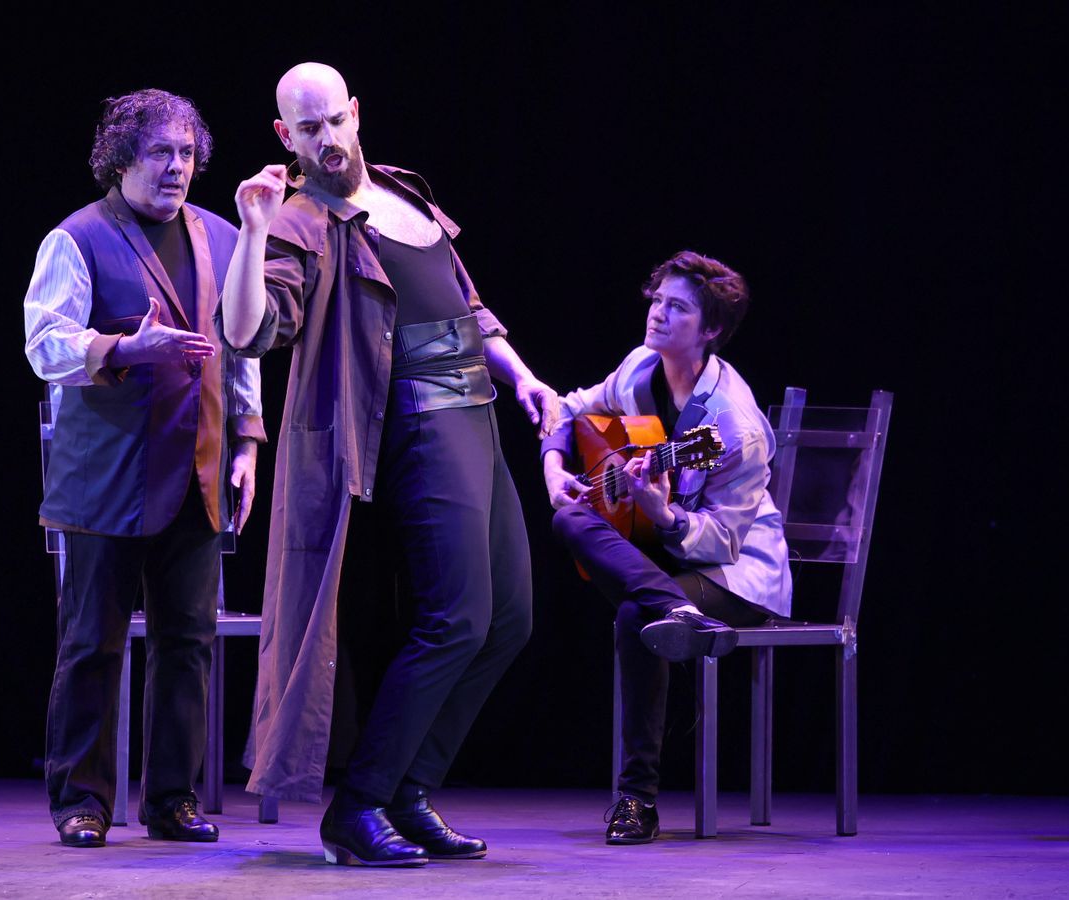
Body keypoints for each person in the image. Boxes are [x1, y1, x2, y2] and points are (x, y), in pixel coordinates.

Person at [220, 63, 559, 867]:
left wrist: (524, 377)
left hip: (475, 412)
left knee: (509, 620)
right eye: (308, 129)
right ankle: (361, 803)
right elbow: (247, 331)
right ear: (284, 137)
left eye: (335, 121)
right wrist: (254, 229)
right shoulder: (302, 220)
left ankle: (409, 791)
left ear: (356, 113)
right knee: (456, 618)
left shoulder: (404, 191)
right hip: (415, 418)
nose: (328, 140)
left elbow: (465, 302)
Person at [23, 89, 264, 848]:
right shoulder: (79, 238)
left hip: (196, 470)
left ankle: (173, 800)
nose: (177, 167)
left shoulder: (223, 240)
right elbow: (44, 344)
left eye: (188, 153)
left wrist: (250, 444)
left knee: (186, 644)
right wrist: (125, 349)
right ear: (121, 158)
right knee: (91, 641)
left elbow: (241, 347)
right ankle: (81, 802)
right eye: (161, 152)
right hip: (106, 478)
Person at [544, 250, 791, 845]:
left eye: (676, 308)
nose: (657, 314)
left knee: (637, 615)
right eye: (657, 300)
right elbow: (571, 408)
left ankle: (636, 798)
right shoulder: (637, 369)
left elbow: (726, 541)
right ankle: (672, 608)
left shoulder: (735, 426)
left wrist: (665, 515)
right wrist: (555, 467)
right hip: (666, 569)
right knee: (569, 521)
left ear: (708, 330)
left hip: (735, 576)